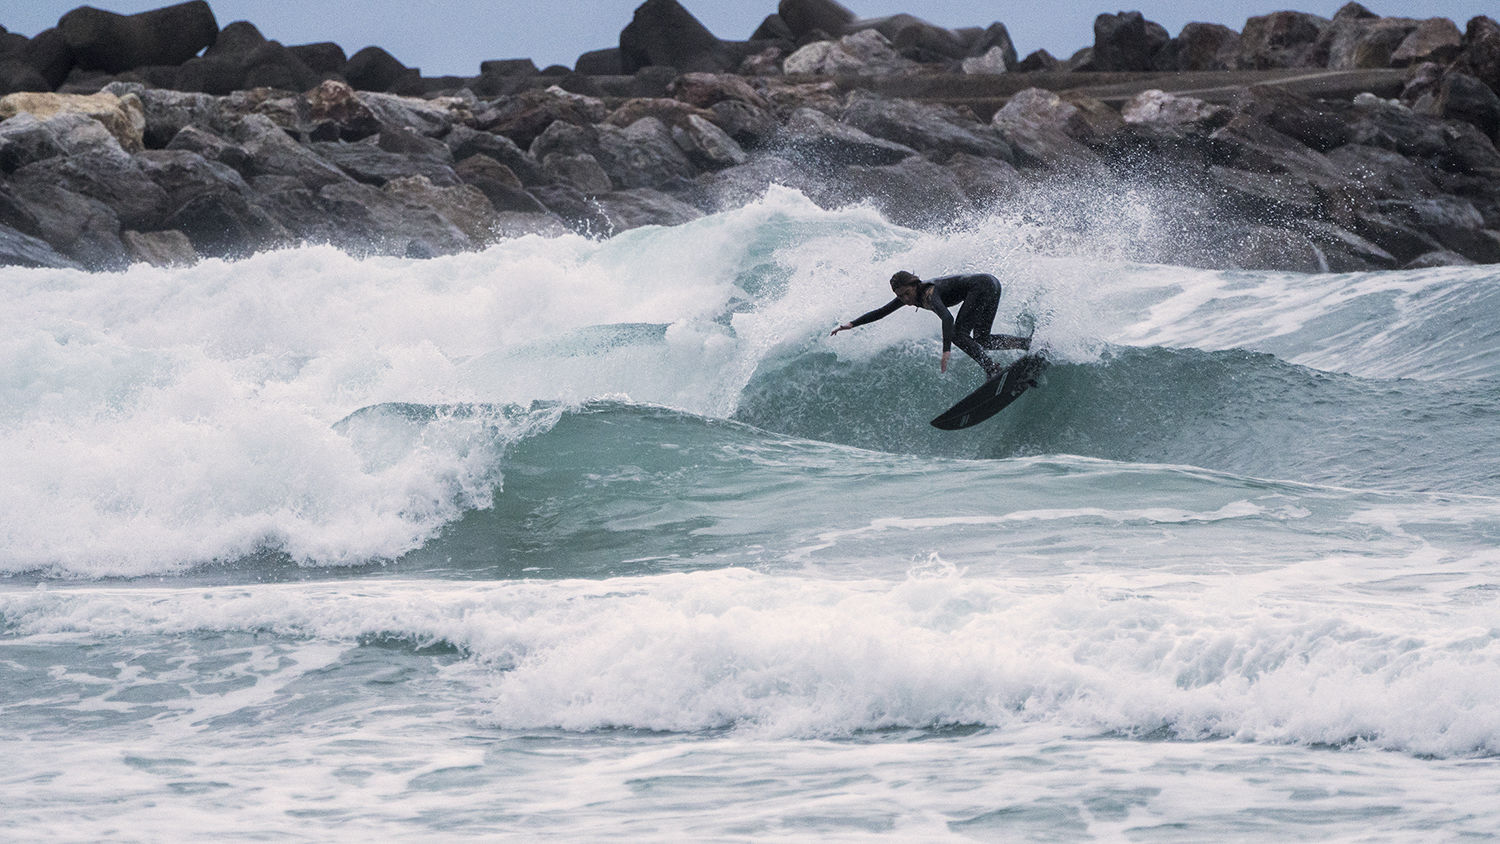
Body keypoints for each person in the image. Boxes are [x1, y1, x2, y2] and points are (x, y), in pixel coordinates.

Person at [830, 271, 1031, 379]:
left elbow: (947, 319)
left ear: (915, 285)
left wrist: (946, 351)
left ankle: (992, 368)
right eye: (900, 296)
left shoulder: (929, 293)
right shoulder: (910, 295)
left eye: (907, 294)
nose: (905, 300)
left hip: (982, 286)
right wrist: (851, 324)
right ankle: (1027, 344)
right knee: (982, 339)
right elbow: (881, 312)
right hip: (991, 283)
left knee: (958, 334)